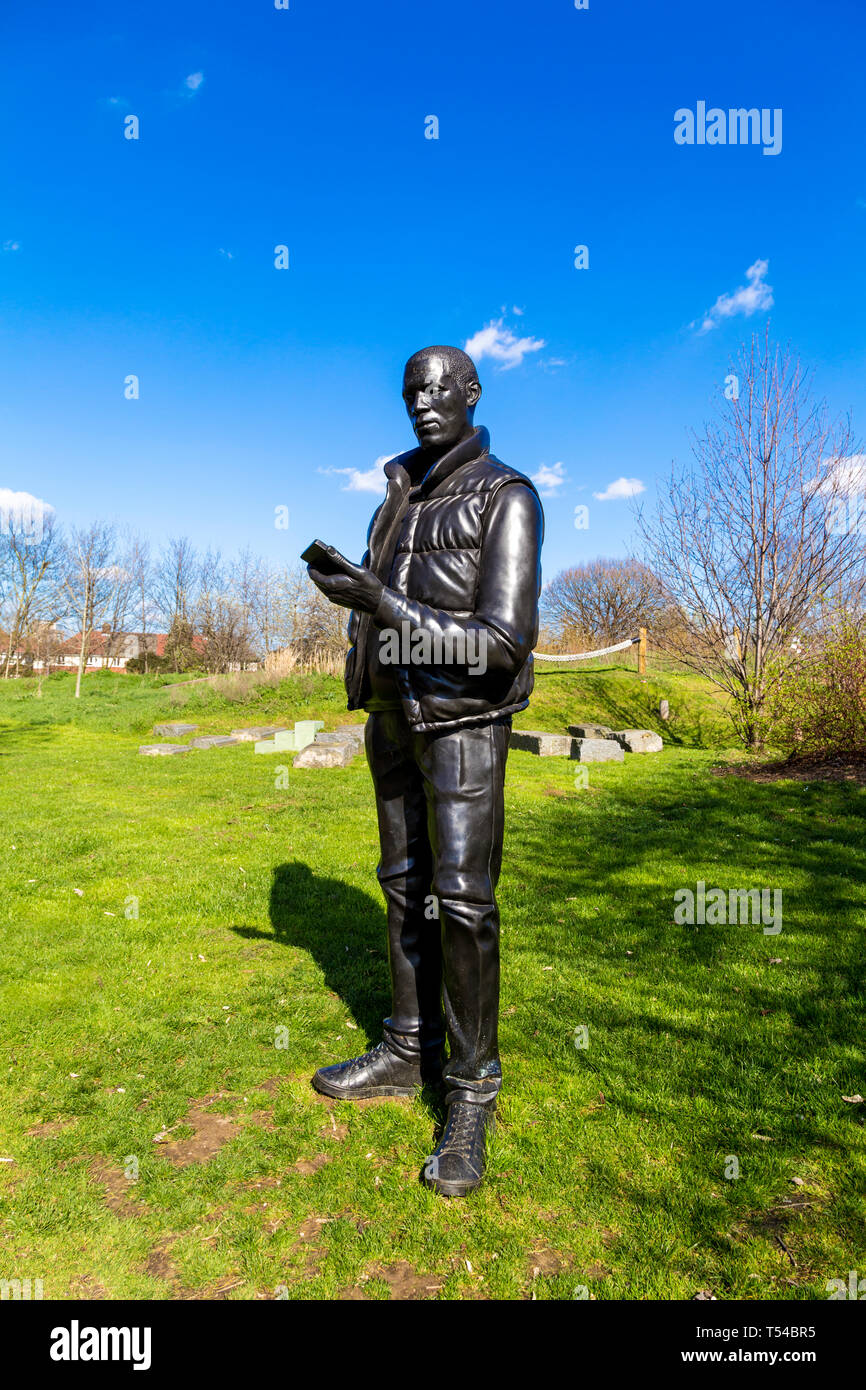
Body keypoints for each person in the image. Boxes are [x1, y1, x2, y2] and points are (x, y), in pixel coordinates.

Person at [306, 344, 544, 1196]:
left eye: (442, 387)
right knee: (403, 884)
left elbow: (502, 643)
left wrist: (382, 604)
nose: (424, 401)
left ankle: (472, 1089)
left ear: (474, 394)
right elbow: (385, 610)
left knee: (466, 903)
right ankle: (408, 1048)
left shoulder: (507, 496)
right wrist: (357, 623)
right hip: (392, 723)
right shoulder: (394, 500)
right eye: (412, 390)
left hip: (464, 727)